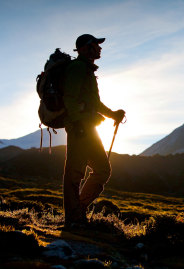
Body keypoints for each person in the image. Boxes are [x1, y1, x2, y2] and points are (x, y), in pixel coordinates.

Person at [62, 34, 125, 229]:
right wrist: (77, 123)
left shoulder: (88, 71)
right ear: (85, 48)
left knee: (102, 170)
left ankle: (78, 211)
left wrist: (113, 114)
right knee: (75, 172)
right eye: (96, 45)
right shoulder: (78, 68)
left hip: (89, 127)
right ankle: (74, 217)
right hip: (80, 126)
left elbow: (94, 103)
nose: (99, 48)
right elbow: (69, 97)